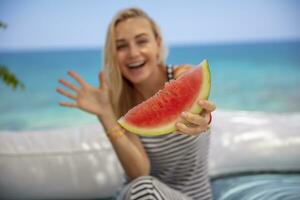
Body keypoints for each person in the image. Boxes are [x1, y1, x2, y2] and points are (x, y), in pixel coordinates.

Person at [57, 7, 216, 200]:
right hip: (141, 195)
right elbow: (139, 172)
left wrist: (202, 117)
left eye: (142, 41)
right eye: (121, 46)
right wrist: (105, 114)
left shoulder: (182, 74)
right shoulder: (119, 102)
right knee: (143, 186)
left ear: (157, 44)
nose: (133, 53)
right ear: (113, 54)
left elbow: (199, 105)